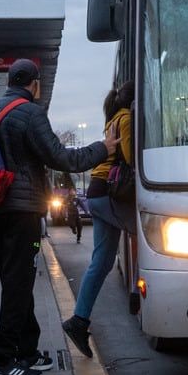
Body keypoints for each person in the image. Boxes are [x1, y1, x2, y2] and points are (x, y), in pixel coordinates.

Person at [0, 59, 116, 375]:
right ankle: (3, 361)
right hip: (22, 210)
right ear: (35, 84)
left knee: (18, 280)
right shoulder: (30, 113)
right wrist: (104, 148)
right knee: (18, 285)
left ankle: (28, 351)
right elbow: (62, 158)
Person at [62, 82, 134, 358]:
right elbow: (130, 158)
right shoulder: (126, 119)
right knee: (154, 234)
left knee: (102, 262)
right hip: (108, 194)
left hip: (98, 192)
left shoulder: (113, 119)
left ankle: (78, 322)